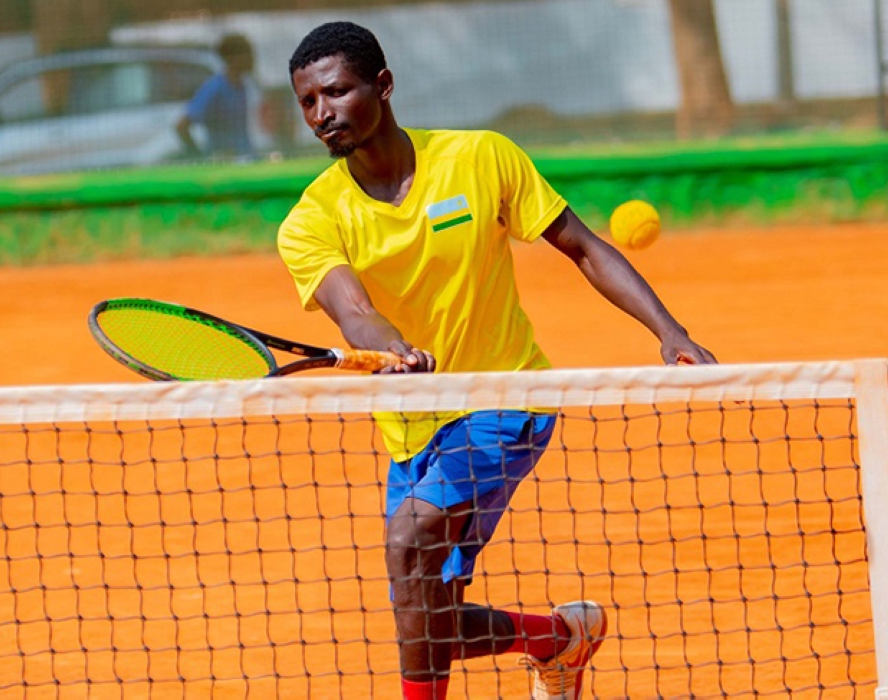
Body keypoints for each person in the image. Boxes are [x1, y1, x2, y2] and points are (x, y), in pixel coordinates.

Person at [276, 21, 717, 700]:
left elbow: (583, 246)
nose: (321, 114)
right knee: (426, 622)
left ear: (383, 86)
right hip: (411, 427)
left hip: (505, 401)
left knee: (407, 541)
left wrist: (669, 330)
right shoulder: (311, 220)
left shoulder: (480, 159)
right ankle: (557, 639)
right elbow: (353, 311)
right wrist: (389, 347)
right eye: (307, 101)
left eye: (336, 91)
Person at [177, 33, 255, 159]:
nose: (253, 58)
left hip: (246, 160)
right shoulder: (215, 88)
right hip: (225, 164)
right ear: (234, 58)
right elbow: (181, 126)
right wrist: (199, 157)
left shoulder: (243, 86)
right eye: (248, 54)